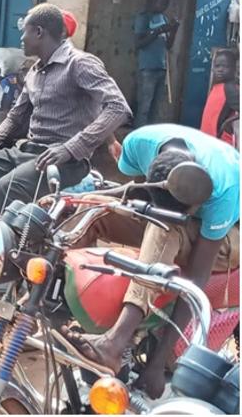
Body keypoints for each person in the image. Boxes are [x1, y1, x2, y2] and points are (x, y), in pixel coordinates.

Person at [62, 124, 240, 399]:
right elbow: (135, 192)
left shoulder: (223, 188)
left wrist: (158, 363)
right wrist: (76, 202)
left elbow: (197, 277)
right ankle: (56, 306)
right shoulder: (137, 145)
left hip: (229, 236)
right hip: (161, 213)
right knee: (90, 207)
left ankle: (115, 342)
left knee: (163, 228)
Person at [0, 3, 132, 216]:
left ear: (38, 32)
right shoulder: (34, 72)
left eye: (25, 32)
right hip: (27, 151)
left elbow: (118, 107)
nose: (21, 39)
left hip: (66, 162)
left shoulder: (80, 64)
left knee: (6, 188)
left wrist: (70, 148)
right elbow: (15, 117)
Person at [133, 0, 179, 128]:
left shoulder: (163, 18)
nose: (164, 5)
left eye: (166, 3)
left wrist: (174, 30)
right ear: (154, 0)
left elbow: (168, 46)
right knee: (144, 108)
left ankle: (150, 137)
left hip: (161, 68)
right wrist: (158, 30)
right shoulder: (143, 17)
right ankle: (137, 136)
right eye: (162, 2)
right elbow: (138, 43)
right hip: (147, 69)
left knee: (155, 109)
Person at [200, 48, 239, 146]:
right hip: (208, 141)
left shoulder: (230, 88)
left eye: (225, 66)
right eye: (217, 66)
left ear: (234, 69)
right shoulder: (217, 86)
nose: (220, 69)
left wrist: (226, 125)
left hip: (219, 143)